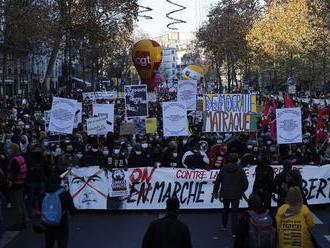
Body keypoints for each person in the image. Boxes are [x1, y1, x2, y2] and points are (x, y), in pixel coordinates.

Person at [212, 153, 248, 237]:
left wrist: (215, 192)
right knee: (234, 213)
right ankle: (234, 232)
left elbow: (217, 181)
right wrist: (241, 190)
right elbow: (245, 183)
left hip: (225, 192)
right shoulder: (240, 169)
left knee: (225, 209)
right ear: (237, 160)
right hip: (236, 193)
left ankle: (224, 225)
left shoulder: (223, 168)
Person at [41, 174, 76, 248]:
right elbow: (72, 210)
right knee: (62, 243)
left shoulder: (44, 192)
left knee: (49, 243)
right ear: (60, 181)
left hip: (47, 222)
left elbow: (40, 207)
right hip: (61, 221)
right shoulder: (64, 192)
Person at [6, 143, 27, 230]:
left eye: (9, 148)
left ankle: (19, 224)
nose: (8, 149)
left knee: (17, 204)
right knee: (21, 203)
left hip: (16, 184)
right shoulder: (21, 157)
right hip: (22, 182)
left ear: (13, 150)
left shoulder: (14, 160)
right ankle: (23, 222)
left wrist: (10, 181)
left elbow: (14, 173)